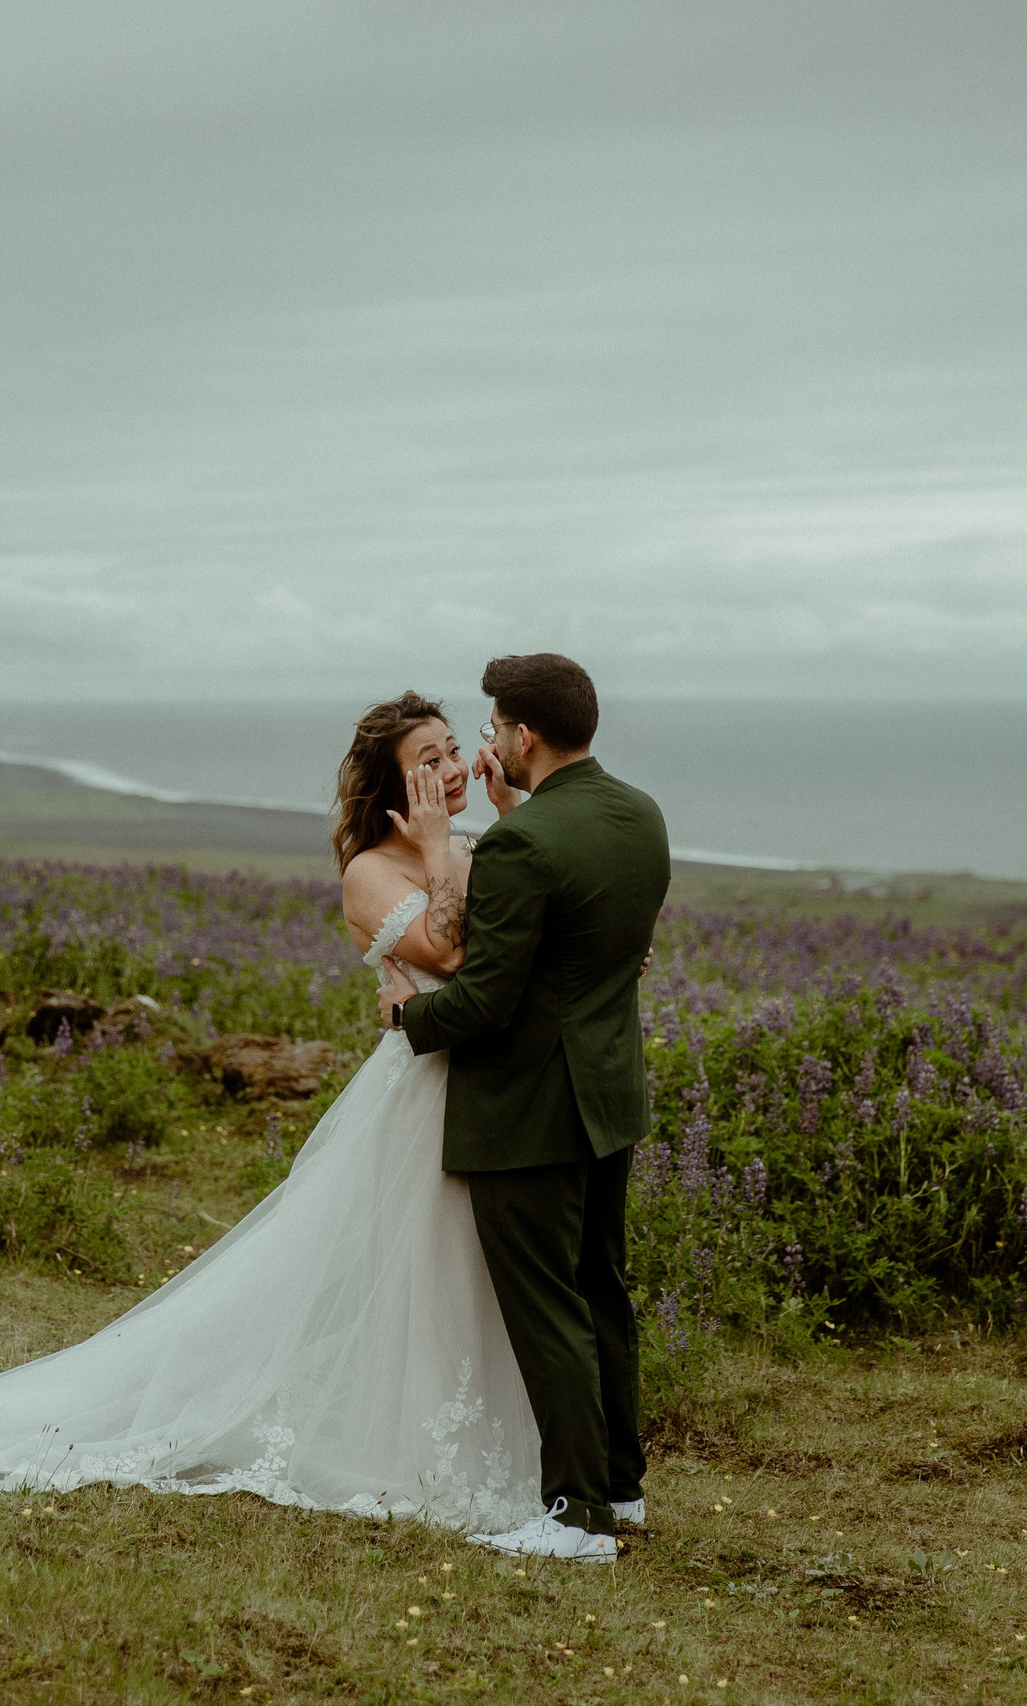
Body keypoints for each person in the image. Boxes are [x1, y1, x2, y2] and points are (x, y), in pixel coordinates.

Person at [0, 691, 550, 1535]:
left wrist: (508, 822)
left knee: (467, 1269)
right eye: (427, 758)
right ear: (395, 784)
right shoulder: (373, 870)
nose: (450, 769)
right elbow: (460, 953)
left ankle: (485, 1453)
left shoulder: (471, 847)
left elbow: (517, 947)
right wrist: (440, 850)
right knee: (418, 1267)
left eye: (451, 751)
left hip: (478, 1082)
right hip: (418, 1095)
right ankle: (417, 1465)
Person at [380, 652, 671, 1562]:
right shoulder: (639, 816)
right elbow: (597, 954)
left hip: (530, 1108)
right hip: (608, 1096)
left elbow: (488, 1001)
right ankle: (621, 1491)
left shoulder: (521, 845)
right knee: (601, 1295)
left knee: (549, 1310)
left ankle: (576, 1518)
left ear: (523, 735)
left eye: (496, 726)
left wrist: (408, 1016)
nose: (487, 743)